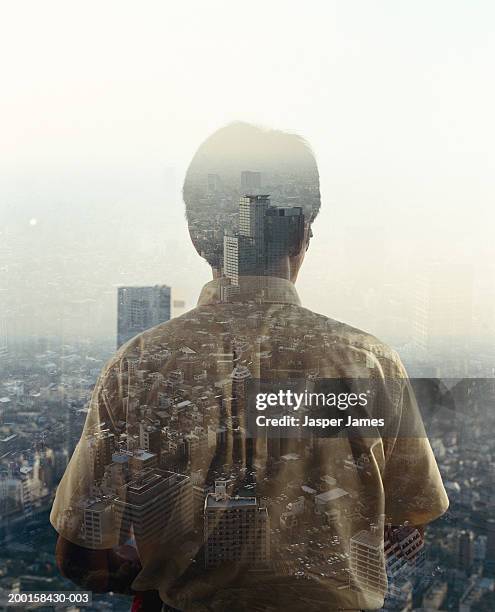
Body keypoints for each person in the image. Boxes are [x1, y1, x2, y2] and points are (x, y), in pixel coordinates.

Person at [52, 122, 449, 611]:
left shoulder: (140, 365)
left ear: (198, 238)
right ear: (303, 233)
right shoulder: (370, 362)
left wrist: (163, 565)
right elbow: (409, 522)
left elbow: (80, 558)